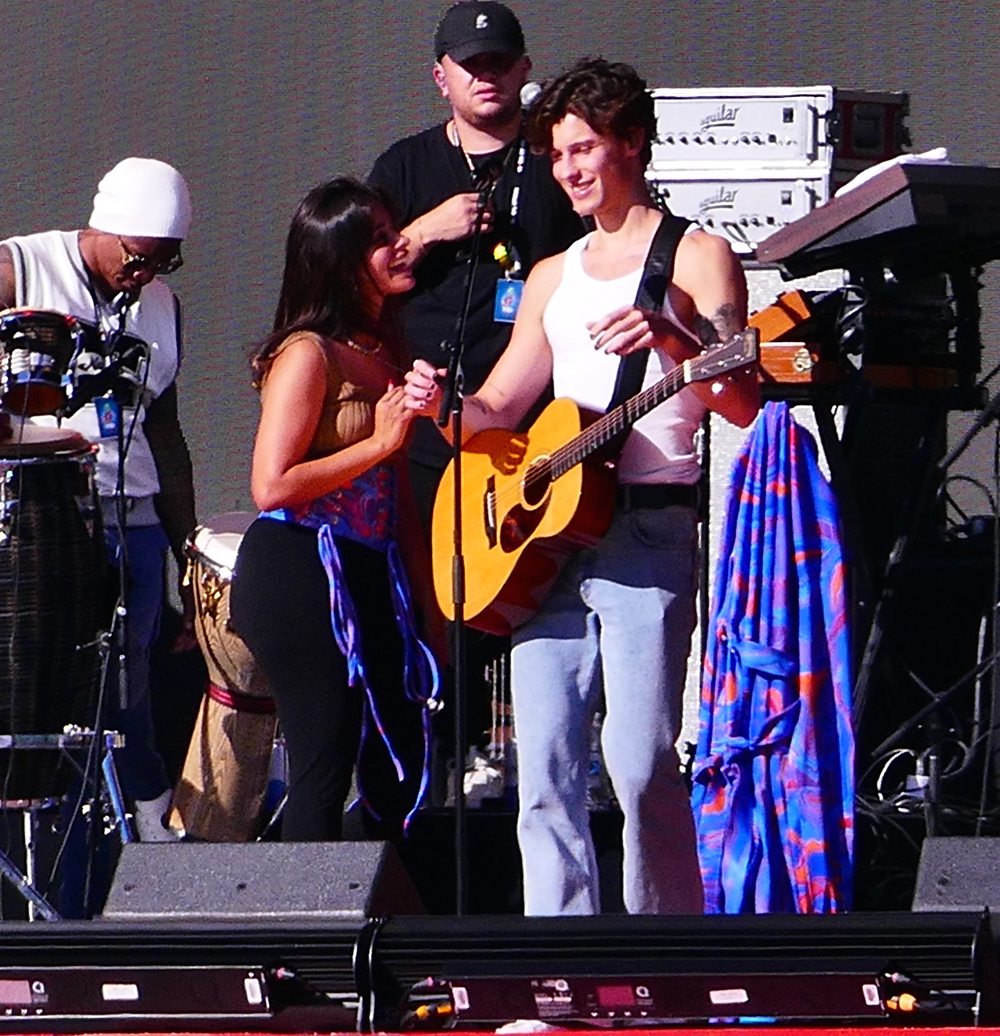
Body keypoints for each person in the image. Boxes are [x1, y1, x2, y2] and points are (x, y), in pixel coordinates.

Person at [404, 58, 760, 915]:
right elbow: (500, 404)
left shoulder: (698, 254)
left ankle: (663, 967)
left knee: (639, 766)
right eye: (559, 155)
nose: (567, 170)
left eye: (582, 149)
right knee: (544, 772)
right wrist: (444, 407)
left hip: (646, 529)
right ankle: (556, 973)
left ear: (631, 143)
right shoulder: (555, 273)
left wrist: (673, 335)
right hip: (541, 543)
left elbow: (742, 397)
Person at [368, 0, 583, 773]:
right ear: (441, 77)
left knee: (523, 597)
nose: (486, 77)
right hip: (426, 424)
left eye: (501, 63)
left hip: (527, 425)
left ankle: (527, 761)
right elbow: (356, 274)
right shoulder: (406, 166)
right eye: (471, 65)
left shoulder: (556, 162)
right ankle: (429, 763)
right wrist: (425, 230)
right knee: (431, 605)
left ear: (525, 70)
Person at [229, 178, 439, 842]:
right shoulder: (307, 354)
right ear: (342, 262)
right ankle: (298, 942)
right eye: (379, 240)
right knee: (324, 757)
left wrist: (429, 610)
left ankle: (384, 930)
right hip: (300, 565)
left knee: (396, 761)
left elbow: (398, 491)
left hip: (371, 568)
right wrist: (377, 441)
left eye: (394, 229)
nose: (401, 244)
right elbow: (273, 484)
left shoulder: (385, 354)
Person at [0, 157, 197, 842]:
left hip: (130, 512)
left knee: (127, 677)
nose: (146, 277)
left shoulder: (161, 306)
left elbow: (165, 433)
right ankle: (37, 824)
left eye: (164, 264)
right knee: (33, 671)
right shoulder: (20, 268)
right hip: (36, 510)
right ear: (105, 228)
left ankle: (139, 807)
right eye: (140, 259)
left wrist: (188, 549)